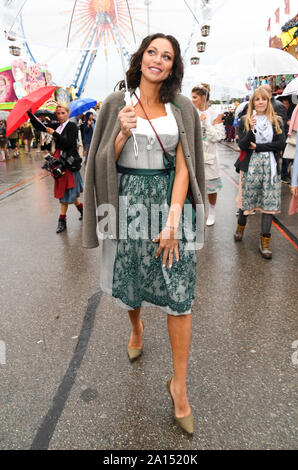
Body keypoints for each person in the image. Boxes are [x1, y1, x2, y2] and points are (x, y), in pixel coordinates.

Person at [83, 33, 206, 435]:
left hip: (171, 205)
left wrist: (173, 222)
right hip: (128, 206)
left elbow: (186, 166)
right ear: (141, 58)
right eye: (152, 52)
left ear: (173, 66)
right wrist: (119, 133)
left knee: (180, 294)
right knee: (131, 283)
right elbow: (101, 162)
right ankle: (136, 327)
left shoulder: (183, 107)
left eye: (166, 55)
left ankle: (180, 388)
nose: (158, 60)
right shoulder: (114, 104)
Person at [234, 87, 285, 259]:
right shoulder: (245, 120)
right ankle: (240, 226)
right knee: (246, 201)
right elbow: (242, 145)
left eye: (264, 99)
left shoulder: (276, 120)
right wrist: (250, 130)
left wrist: (260, 147)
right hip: (251, 166)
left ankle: (265, 242)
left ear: (268, 101)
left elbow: (281, 144)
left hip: (270, 167)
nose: (261, 102)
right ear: (253, 102)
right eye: (257, 99)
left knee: (268, 206)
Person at [30, 103, 84, 233]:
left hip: (68, 163)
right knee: (69, 193)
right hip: (59, 161)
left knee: (65, 192)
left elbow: (70, 144)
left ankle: (62, 220)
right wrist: (30, 114)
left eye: (63, 113)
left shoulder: (72, 126)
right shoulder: (57, 126)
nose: (60, 116)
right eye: (58, 113)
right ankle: (83, 211)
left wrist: (55, 134)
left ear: (68, 113)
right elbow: (39, 126)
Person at [191, 84, 224, 226]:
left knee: (211, 188)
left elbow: (218, 136)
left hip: (210, 157)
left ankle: (212, 211)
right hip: (195, 156)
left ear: (203, 98)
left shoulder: (216, 114)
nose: (192, 100)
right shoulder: (192, 112)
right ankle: (197, 212)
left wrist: (206, 123)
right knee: (194, 186)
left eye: (195, 97)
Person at [279, 95, 296, 183]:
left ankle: (287, 173)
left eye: (287, 103)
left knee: (290, 157)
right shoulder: (280, 112)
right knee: (285, 157)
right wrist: (287, 122)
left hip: (291, 136)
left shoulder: (292, 111)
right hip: (283, 136)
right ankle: (283, 175)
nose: (286, 105)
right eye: (284, 103)